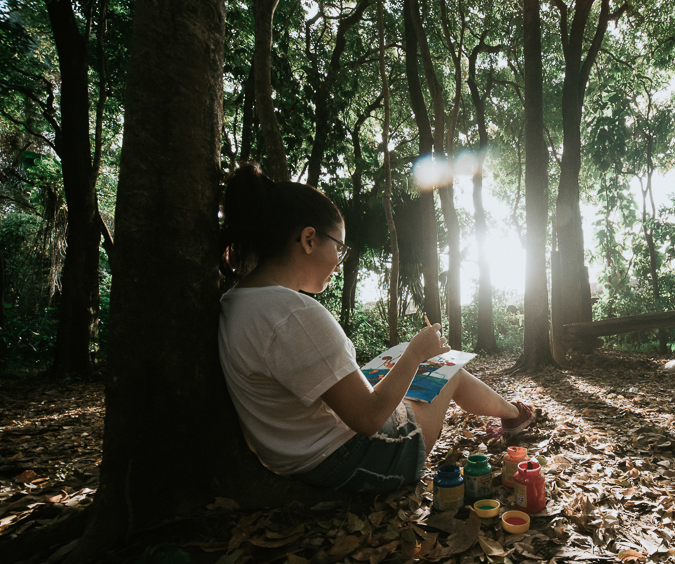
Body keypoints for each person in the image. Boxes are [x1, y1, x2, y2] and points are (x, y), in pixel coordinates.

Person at [217, 163, 534, 494]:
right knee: (447, 368)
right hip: (354, 459)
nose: (338, 265)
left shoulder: (237, 302)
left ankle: (512, 413)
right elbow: (368, 419)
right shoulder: (295, 313)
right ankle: (514, 415)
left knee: (417, 372)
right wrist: (416, 354)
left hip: (301, 457)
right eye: (339, 248)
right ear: (309, 239)